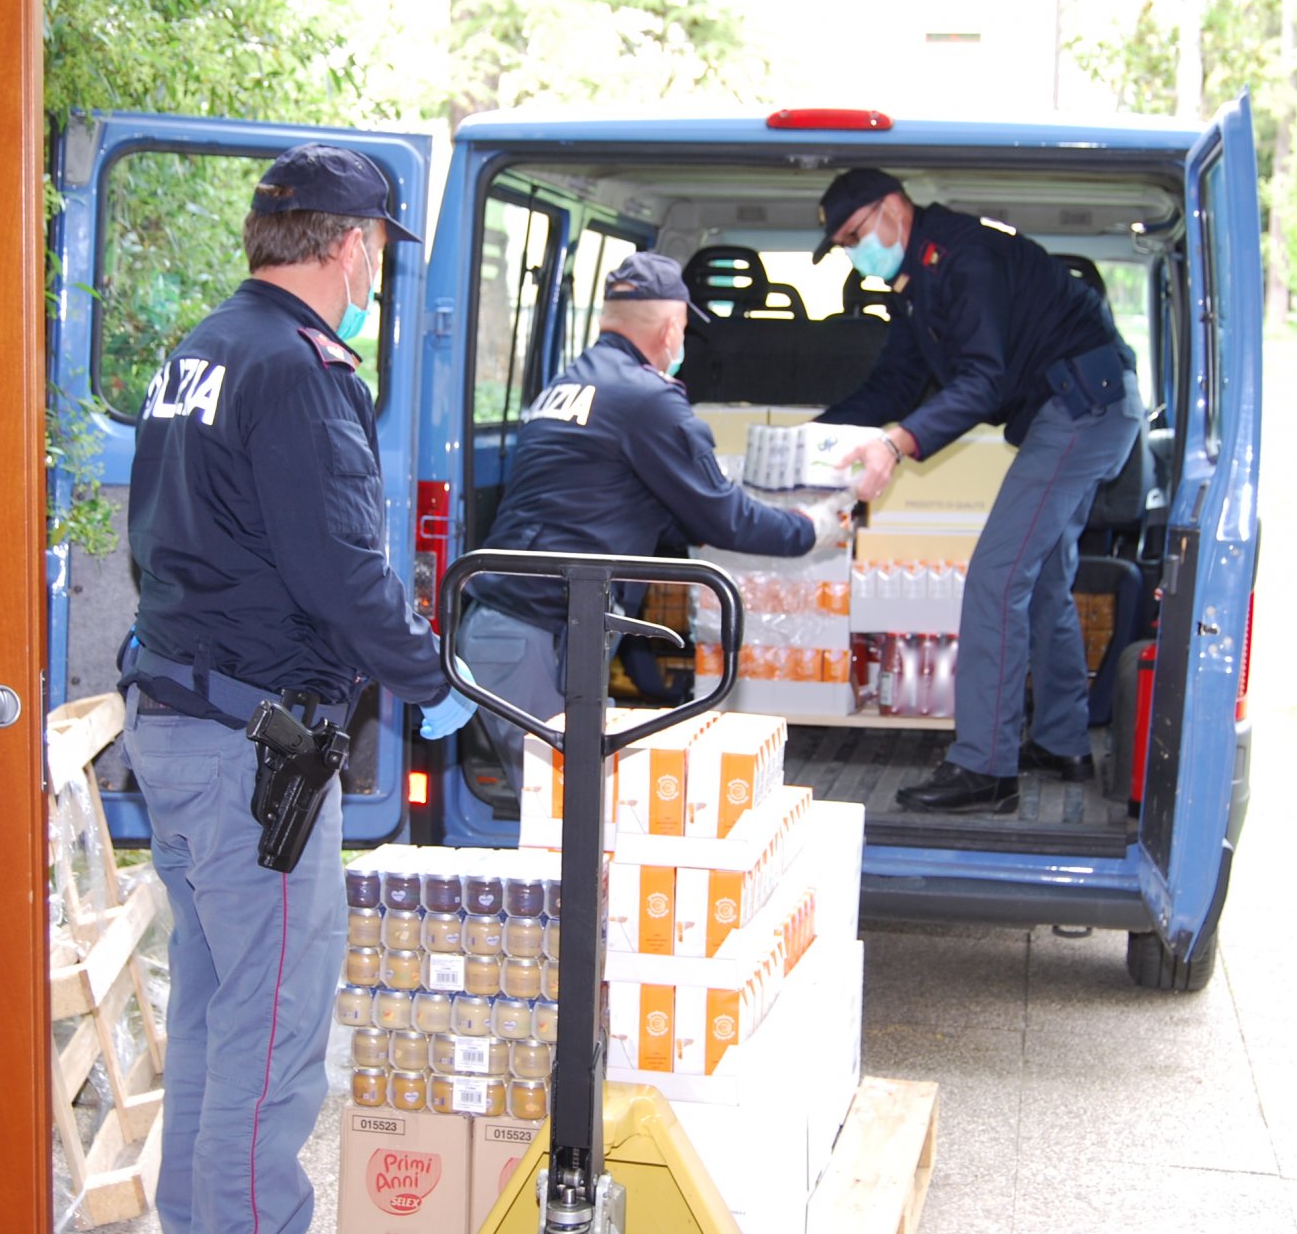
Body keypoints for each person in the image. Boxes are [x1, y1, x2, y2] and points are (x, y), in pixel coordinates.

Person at [116, 144, 477, 1234]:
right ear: (351, 243)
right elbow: (342, 571)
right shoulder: (299, 373)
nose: (376, 275)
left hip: (181, 716)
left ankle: (196, 1218)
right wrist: (430, 676)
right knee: (273, 1034)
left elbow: (158, 541)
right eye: (376, 252)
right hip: (249, 754)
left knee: (218, 1012)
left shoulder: (205, 348)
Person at [812, 168, 1142, 814]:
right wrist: (815, 436)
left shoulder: (964, 256)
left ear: (893, 208)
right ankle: (1062, 739)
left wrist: (895, 444)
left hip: (1083, 404)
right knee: (1044, 576)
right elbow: (894, 383)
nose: (856, 253)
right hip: (1080, 407)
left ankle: (985, 767)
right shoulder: (917, 286)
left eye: (856, 234)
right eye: (845, 244)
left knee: (995, 577)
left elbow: (985, 380)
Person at [456, 251, 853, 783]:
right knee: (560, 805)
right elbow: (725, 518)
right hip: (532, 634)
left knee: (575, 809)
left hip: (528, 626)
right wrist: (815, 527)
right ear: (671, 329)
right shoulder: (647, 401)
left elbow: (641, 507)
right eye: (685, 328)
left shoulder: (570, 384)